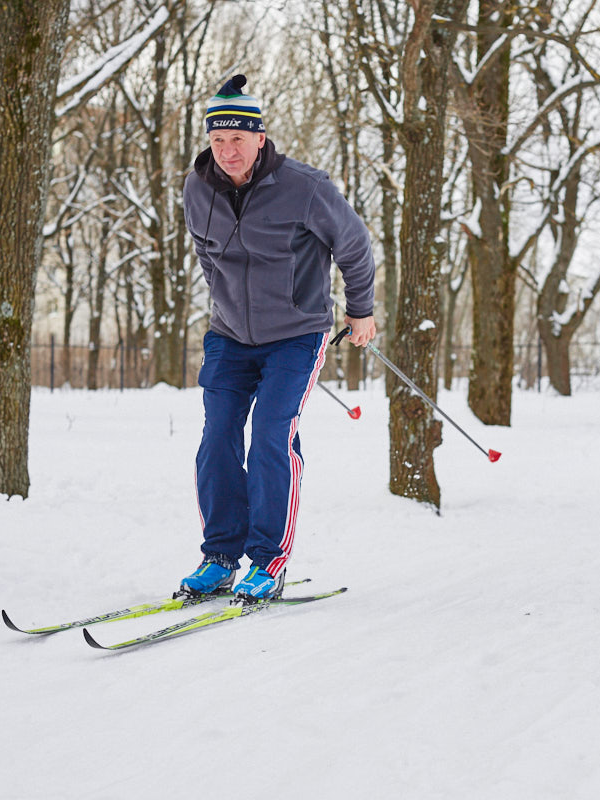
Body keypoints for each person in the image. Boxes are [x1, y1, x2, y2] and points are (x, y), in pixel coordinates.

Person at [177, 75, 376, 602]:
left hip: (296, 335)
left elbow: (354, 246)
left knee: (271, 433)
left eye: (238, 139)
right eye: (218, 141)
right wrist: (225, 300)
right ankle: (219, 556)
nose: (227, 151)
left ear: (260, 138)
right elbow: (204, 251)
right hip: (229, 336)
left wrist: (361, 311)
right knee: (217, 436)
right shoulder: (197, 187)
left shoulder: (305, 188)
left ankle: (268, 561)